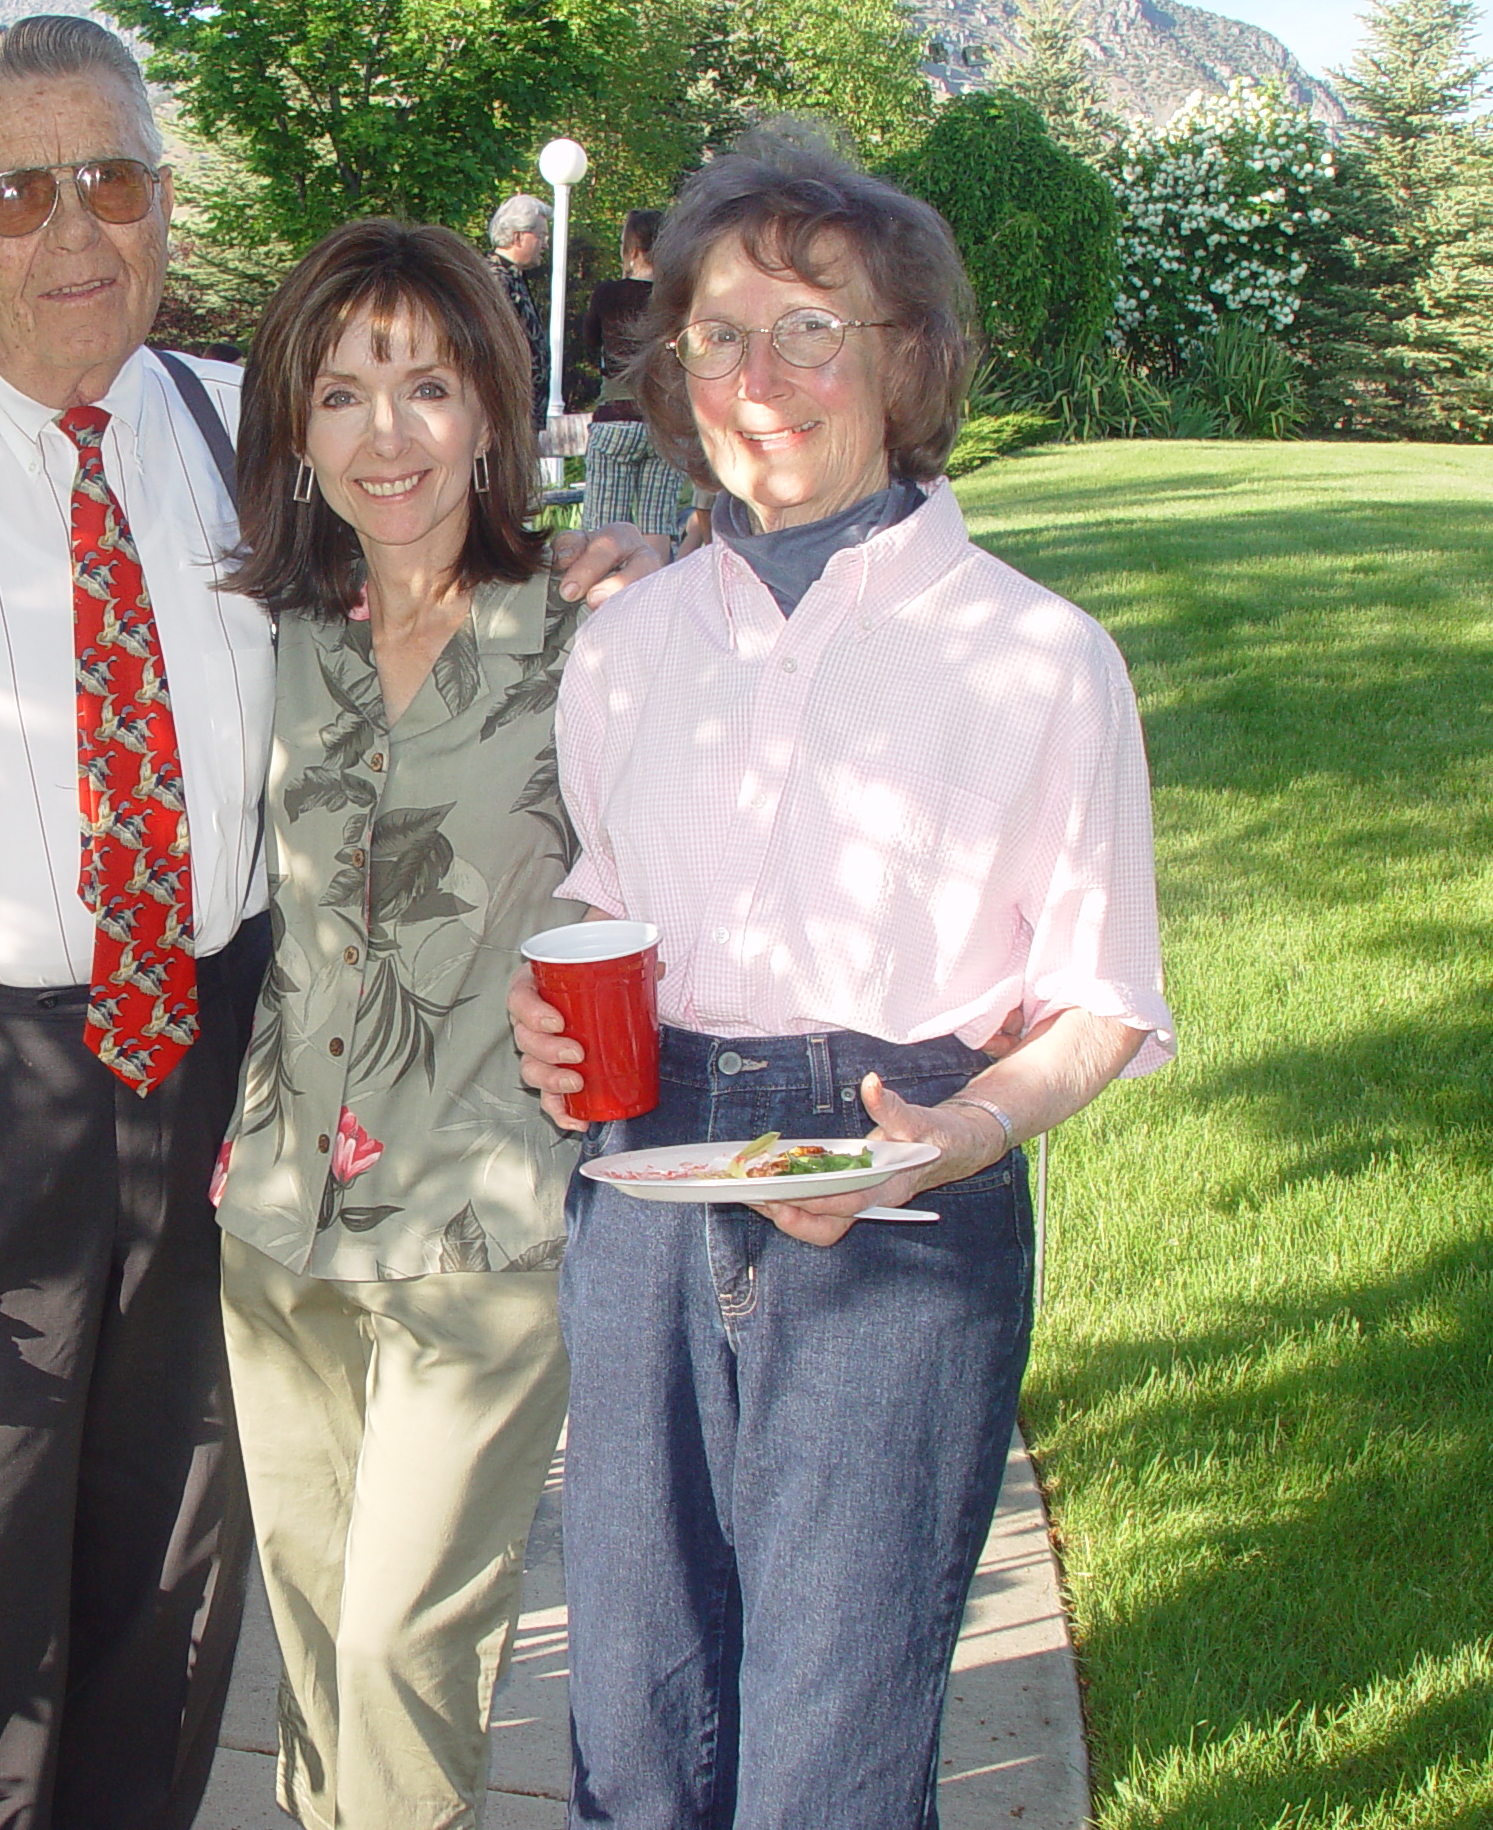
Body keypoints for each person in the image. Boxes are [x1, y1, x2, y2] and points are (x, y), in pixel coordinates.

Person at [0, 15, 647, 1830]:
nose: (73, 233)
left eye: (110, 181)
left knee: (177, 1564)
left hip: (222, 1055)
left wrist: (593, 576)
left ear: (163, 210)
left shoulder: (240, 433)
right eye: (17, 193)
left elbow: (428, 592)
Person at [509, 126, 1176, 1830]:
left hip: (901, 1187)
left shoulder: (1037, 659)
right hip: (648, 1173)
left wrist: (952, 1134)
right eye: (716, 335)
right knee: (639, 1730)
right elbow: (604, 896)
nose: (757, 378)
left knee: (833, 1746)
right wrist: (555, 1032)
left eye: (812, 330)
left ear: (909, 363)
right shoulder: (633, 643)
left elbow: (1099, 999)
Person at [215, 219, 613, 1829]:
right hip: (279, 1223)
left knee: (399, 1649)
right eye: (344, 395)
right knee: (315, 1652)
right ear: (298, 436)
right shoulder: (274, 644)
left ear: (492, 416)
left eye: (429, 389)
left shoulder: (594, 639)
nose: (390, 438)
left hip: (484, 1223)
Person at [580, 209, 690, 554]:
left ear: (632, 249)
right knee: (657, 524)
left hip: (616, 416)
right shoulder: (678, 299)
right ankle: (656, 599)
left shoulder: (608, 294)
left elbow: (588, 341)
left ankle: (602, 601)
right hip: (665, 420)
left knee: (603, 523)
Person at [485, 194, 551, 424]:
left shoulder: (514, 277)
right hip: (505, 416)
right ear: (518, 237)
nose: (545, 244)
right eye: (541, 236)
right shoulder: (495, 280)